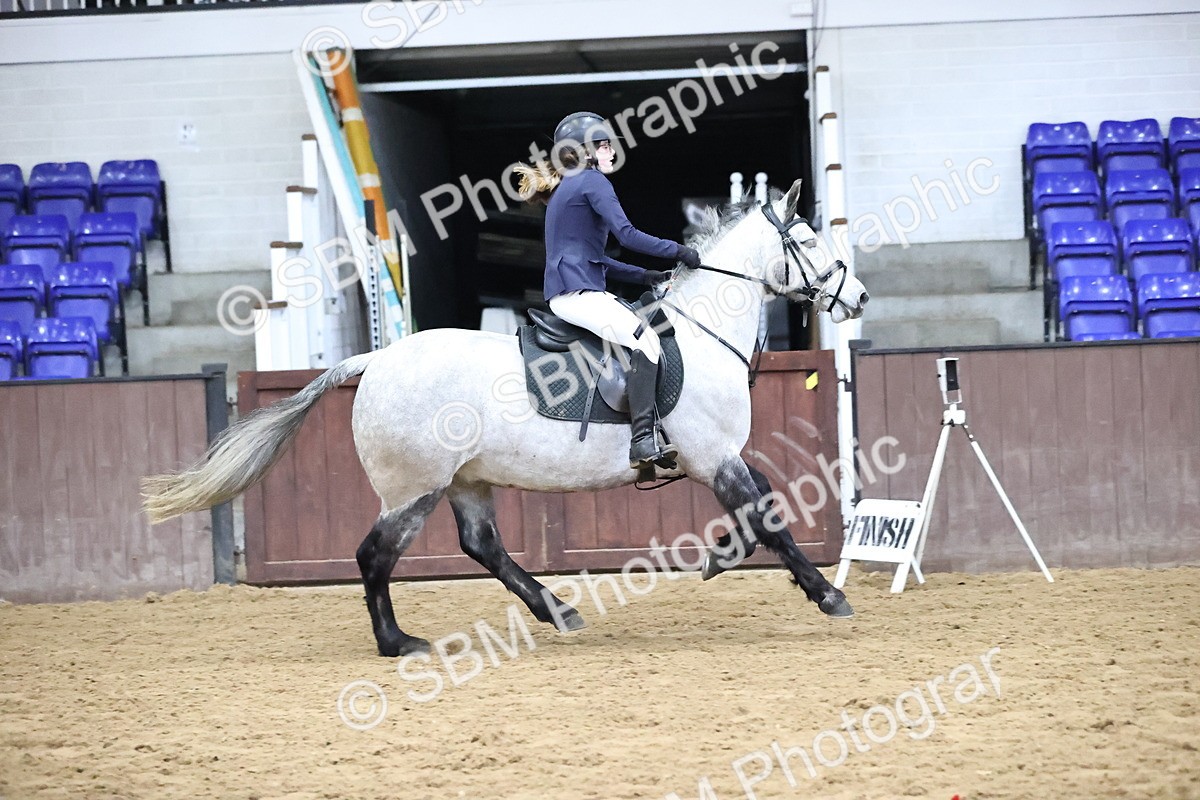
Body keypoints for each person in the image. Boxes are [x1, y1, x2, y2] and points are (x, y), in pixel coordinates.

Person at [515, 111, 702, 470]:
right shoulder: (592, 181)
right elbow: (627, 235)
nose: (611, 151)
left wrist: (645, 275)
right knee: (646, 341)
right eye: (603, 145)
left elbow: (595, 258)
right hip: (578, 295)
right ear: (584, 151)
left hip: (572, 292)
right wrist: (680, 250)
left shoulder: (567, 187)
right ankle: (642, 440)